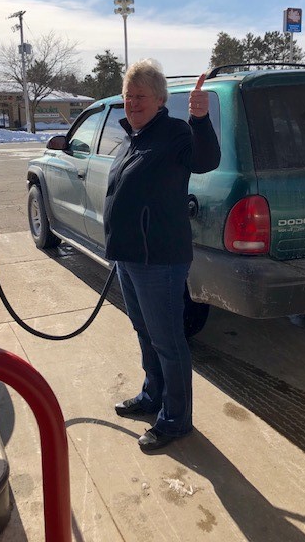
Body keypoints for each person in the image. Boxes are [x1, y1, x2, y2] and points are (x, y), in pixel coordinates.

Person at [103, 59, 220, 452]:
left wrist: (200, 118)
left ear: (159, 100)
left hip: (161, 261)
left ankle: (176, 419)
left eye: (141, 96)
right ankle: (153, 396)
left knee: (168, 341)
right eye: (128, 95)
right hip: (130, 258)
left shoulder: (175, 133)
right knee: (144, 332)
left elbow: (206, 160)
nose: (132, 102)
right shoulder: (133, 136)